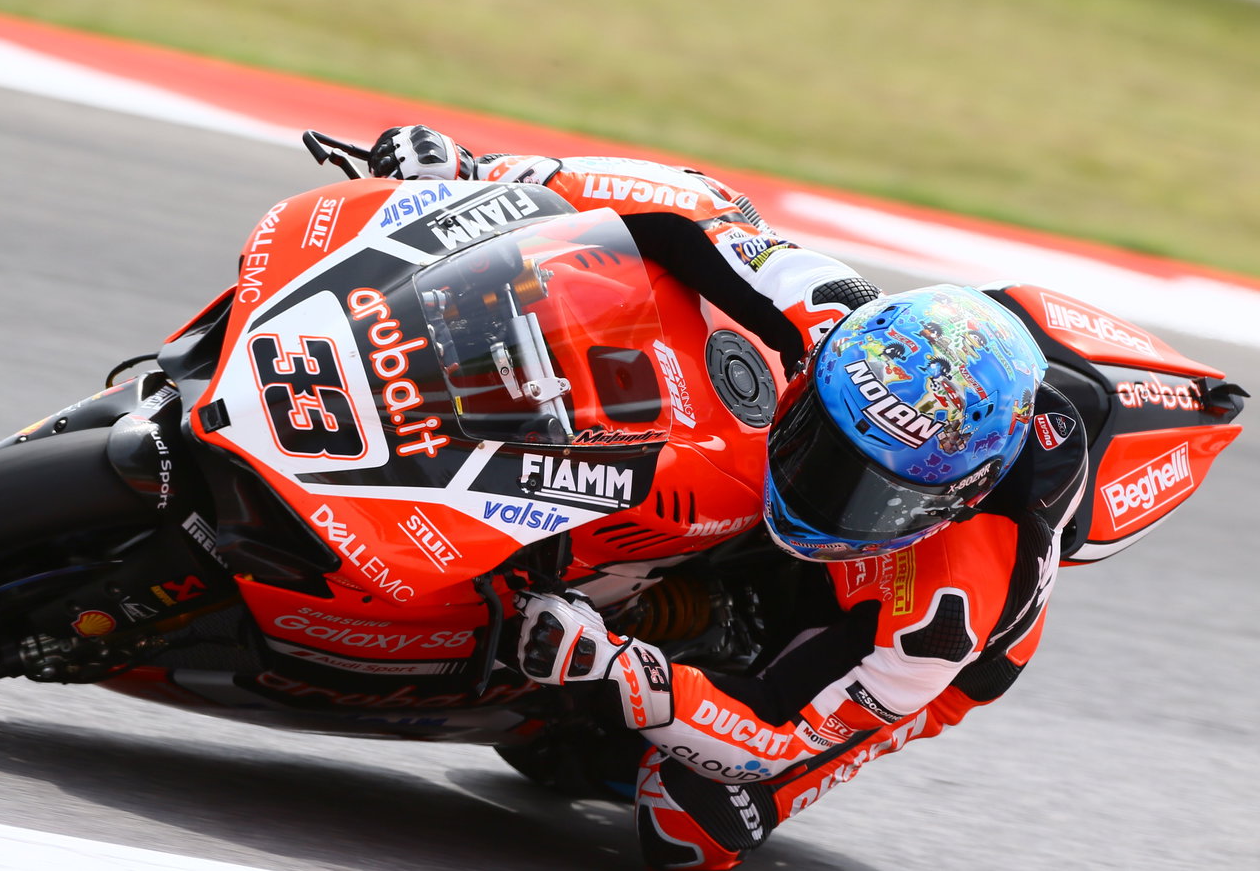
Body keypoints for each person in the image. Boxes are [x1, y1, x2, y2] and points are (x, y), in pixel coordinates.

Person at [370, 126, 1090, 869]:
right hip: (832, 480)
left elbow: (779, 730)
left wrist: (619, 670)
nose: (819, 490)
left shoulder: (939, 622)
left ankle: (615, 721)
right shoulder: (851, 325)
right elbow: (696, 207)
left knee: (692, 823)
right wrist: (488, 171)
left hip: (879, 651)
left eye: (867, 493)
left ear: (949, 504)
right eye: (820, 443)